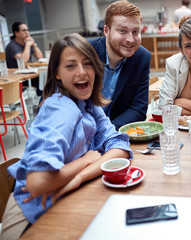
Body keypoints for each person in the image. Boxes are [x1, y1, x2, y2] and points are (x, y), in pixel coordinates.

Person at [1, 33, 132, 240]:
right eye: (71, 66)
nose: (82, 72)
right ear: (58, 73)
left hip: (63, 203)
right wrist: (85, 160)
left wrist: (79, 177)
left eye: (87, 64)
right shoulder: (61, 108)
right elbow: (37, 183)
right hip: (30, 221)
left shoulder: (89, 106)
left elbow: (120, 148)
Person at [88, 0, 151, 130]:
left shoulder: (142, 58)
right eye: (122, 31)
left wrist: (106, 132)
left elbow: (138, 110)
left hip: (114, 133)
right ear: (106, 31)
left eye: (135, 32)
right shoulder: (84, 51)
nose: (130, 39)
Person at [5, 22, 44, 96]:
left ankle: (41, 100)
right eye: (24, 30)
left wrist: (34, 44)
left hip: (28, 75)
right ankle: (40, 102)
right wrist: (28, 45)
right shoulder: (12, 46)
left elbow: (40, 57)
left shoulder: (26, 43)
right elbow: (22, 61)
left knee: (44, 78)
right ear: (16, 33)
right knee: (42, 80)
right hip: (18, 79)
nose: (27, 33)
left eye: (27, 30)